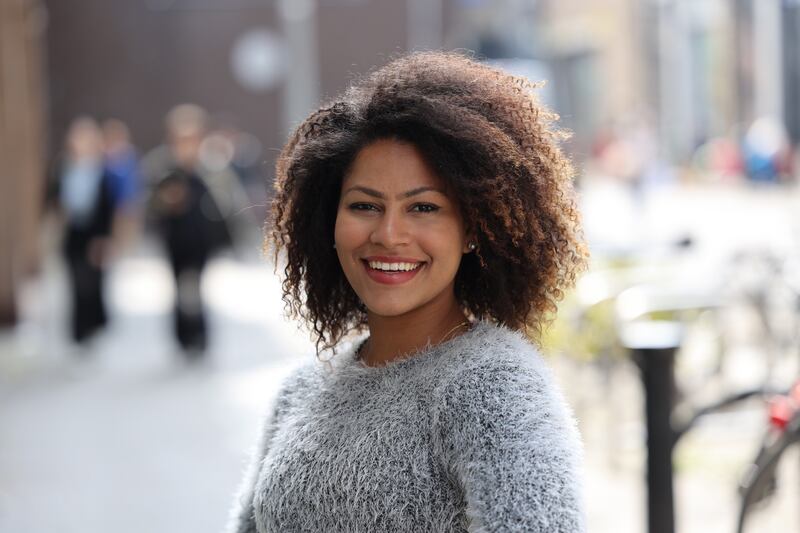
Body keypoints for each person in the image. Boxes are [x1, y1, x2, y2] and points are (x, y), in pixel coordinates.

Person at [227, 51, 589, 532]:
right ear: (328, 222)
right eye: (364, 205)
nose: (389, 234)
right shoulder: (300, 390)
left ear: (473, 229)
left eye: (423, 208)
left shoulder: (492, 386)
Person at [46, 117, 117, 344]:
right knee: (76, 282)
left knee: (94, 283)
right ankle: (78, 332)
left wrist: (105, 238)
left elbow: (108, 207)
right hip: (72, 232)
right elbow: (52, 198)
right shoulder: (64, 168)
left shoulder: (103, 170)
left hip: (94, 234)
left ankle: (96, 326)